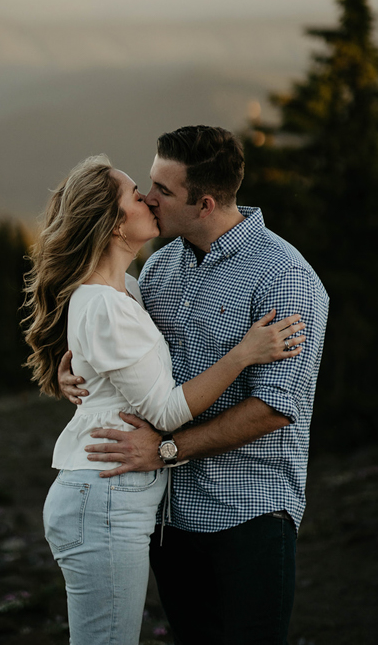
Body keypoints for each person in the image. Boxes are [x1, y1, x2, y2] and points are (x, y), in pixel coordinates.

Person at [22, 153, 306, 645]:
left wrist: (81, 378)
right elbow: (165, 410)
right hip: (107, 494)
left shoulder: (132, 286)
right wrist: (243, 355)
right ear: (114, 225)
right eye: (137, 193)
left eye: (155, 190)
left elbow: (123, 368)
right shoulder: (113, 300)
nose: (148, 199)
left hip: (126, 499)